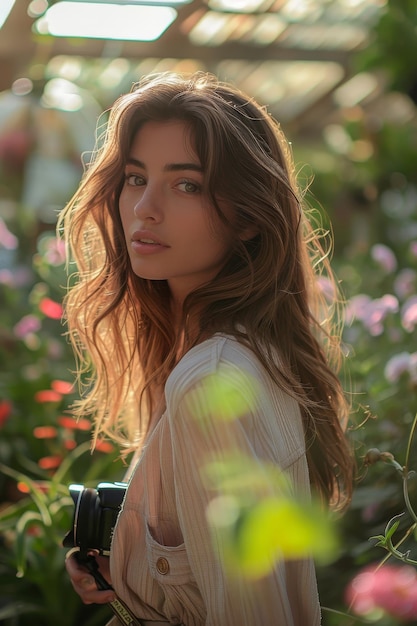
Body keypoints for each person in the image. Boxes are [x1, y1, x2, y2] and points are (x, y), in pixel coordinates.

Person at [61, 71, 354, 626]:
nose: (144, 208)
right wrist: (129, 566)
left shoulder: (210, 380)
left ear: (247, 216)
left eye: (186, 184)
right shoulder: (249, 351)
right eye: (133, 178)